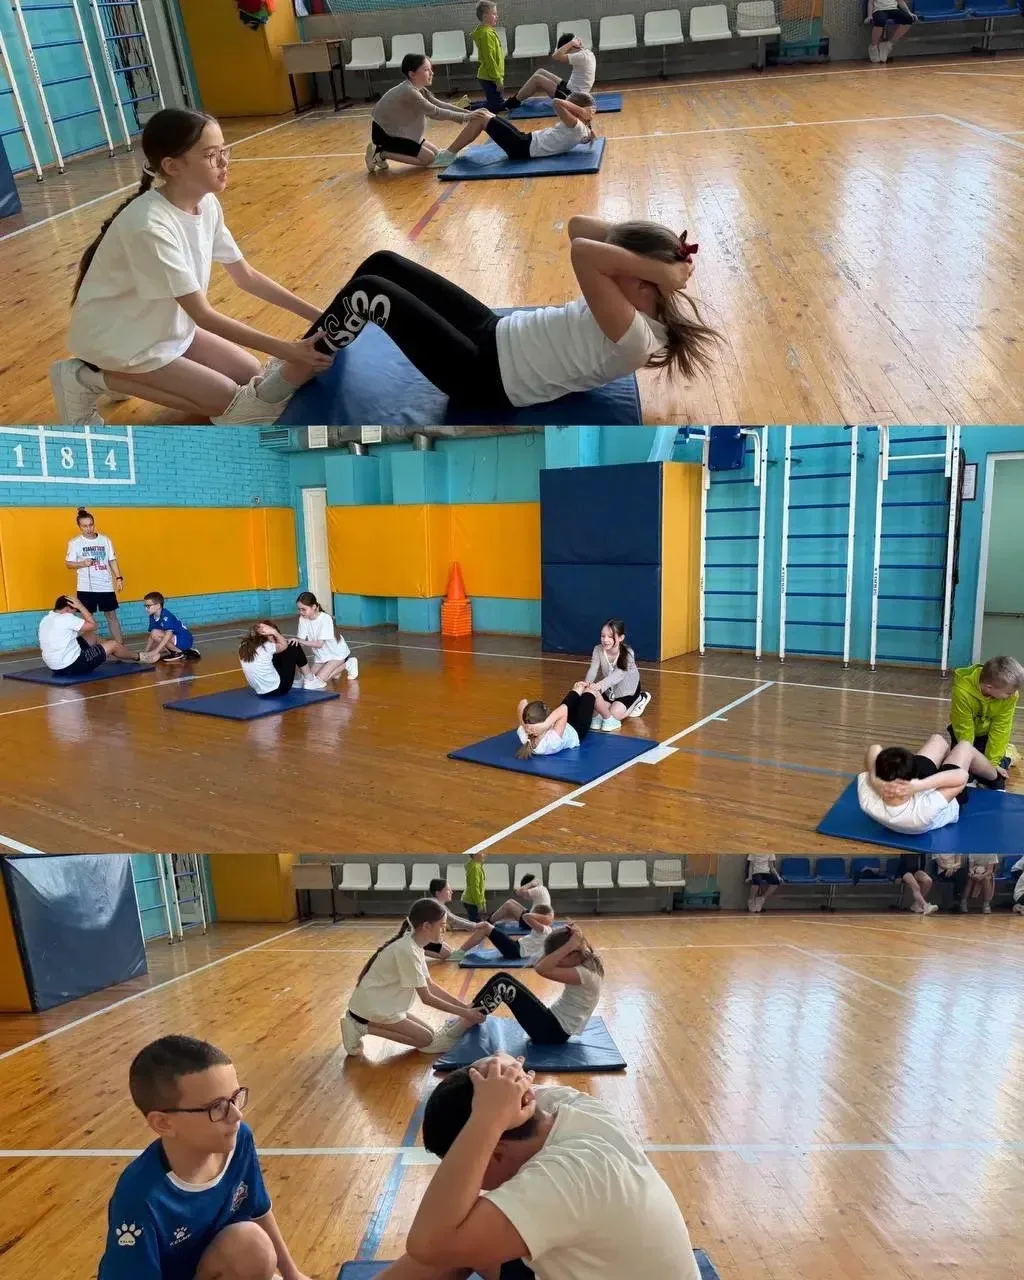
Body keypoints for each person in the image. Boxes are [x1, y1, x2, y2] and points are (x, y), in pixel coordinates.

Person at [55, 107, 333, 427]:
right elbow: (203, 315)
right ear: (172, 166)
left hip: (164, 328)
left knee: (250, 373)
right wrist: (288, 350)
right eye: (211, 155)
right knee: (229, 405)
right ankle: (86, 378)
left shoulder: (206, 203)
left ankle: (124, 378)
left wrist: (319, 316)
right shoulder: (150, 226)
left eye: (224, 151)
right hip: (123, 340)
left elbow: (246, 276)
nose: (224, 162)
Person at [306, 217, 717, 413]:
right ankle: (320, 339)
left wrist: (659, 270)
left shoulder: (634, 336)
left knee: (371, 292)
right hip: (497, 332)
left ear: (643, 281)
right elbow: (576, 227)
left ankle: (305, 361)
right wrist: (651, 264)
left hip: (485, 378)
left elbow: (582, 251)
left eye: (620, 266)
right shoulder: (635, 297)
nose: (610, 269)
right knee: (385, 262)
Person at [376, 1054, 702, 1279]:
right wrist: (496, 1083)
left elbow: (428, 1245)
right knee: (460, 1238)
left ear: (496, 1151)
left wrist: (485, 1122)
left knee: (451, 1240)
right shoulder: (564, 1105)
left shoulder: (567, 1176)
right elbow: (508, 1087)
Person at [97, 1035, 310, 1280]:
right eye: (216, 1107)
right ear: (163, 1123)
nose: (236, 1115)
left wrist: (292, 1274)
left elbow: (258, 1211)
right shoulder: (139, 1196)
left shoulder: (239, 1139)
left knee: (253, 1246)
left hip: (215, 1266)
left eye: (235, 1097)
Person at [340, 898, 487, 1056]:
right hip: (371, 1008)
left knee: (430, 1033)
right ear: (426, 926)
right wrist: (465, 1013)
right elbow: (427, 998)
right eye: (442, 926)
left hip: (384, 1005)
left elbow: (430, 985)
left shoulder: (415, 945)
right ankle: (360, 1026)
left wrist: (464, 1008)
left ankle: (360, 1023)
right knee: (425, 1039)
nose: (445, 930)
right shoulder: (407, 950)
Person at [468, 923, 604, 1045]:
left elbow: (540, 968)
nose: (558, 963)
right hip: (551, 1023)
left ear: (572, 953)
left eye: (560, 959)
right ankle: (471, 1009)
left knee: (504, 986)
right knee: (502, 977)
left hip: (552, 1033)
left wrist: (568, 945)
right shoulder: (585, 958)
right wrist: (569, 943)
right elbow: (540, 963)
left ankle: (470, 1017)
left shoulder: (585, 974)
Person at [367, 53, 491, 173]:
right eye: (426, 70)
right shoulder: (409, 91)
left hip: (398, 132)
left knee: (436, 153)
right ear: (412, 74)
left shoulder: (419, 89)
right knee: (428, 158)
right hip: (385, 135)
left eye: (430, 69)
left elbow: (440, 104)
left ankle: (383, 151)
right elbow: (435, 112)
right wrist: (466, 116)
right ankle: (380, 152)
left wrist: (470, 113)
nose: (432, 73)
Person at [856, 734, 991, 836]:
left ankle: (947, 761)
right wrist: (920, 785)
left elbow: (874, 748)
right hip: (948, 801)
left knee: (938, 739)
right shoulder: (923, 812)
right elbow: (962, 776)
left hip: (913, 791)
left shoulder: (868, 797)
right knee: (965, 747)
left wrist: (875, 781)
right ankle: (996, 779)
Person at [447, 94, 597, 167]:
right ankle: (450, 152)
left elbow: (556, 102)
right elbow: (583, 137)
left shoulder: (576, 125)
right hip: (524, 142)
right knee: (485, 112)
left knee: (480, 117)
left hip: (522, 147)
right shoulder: (583, 130)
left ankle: (448, 154)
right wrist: (588, 132)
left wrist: (581, 111)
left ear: (577, 111)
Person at [949, 656, 1023, 791]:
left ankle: (1006, 756)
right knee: (964, 775)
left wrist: (993, 763)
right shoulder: (962, 691)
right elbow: (964, 728)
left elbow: (1001, 728)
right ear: (989, 687)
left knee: (995, 779)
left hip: (987, 735)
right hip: (964, 735)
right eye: (1009, 692)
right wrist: (967, 759)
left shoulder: (1011, 696)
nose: (1013, 695)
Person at [39, 595, 150, 676]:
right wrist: (81, 606)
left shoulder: (46, 619)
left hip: (54, 667)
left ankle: (113, 653)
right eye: (74, 610)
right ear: (69, 608)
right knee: (113, 644)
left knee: (91, 636)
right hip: (72, 666)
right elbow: (94, 625)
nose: (75, 613)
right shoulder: (67, 617)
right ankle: (140, 657)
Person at [66, 506, 125, 643]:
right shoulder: (75, 543)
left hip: (105, 585)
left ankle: (120, 645)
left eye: (91, 525)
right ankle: (85, 648)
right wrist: (82, 563)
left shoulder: (105, 540)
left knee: (111, 615)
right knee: (87, 618)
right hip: (86, 586)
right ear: (79, 527)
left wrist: (118, 578)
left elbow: (112, 560)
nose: (89, 528)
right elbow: (68, 564)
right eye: (85, 526)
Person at [583, 617, 651, 731]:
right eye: (603, 636)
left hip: (628, 690)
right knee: (598, 714)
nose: (605, 640)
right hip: (610, 689)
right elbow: (593, 669)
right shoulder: (598, 649)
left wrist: (599, 685)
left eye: (610, 636)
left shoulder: (628, 653)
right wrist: (586, 685)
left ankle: (639, 698)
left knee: (614, 716)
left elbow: (619, 675)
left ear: (621, 638)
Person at [505, 32, 597, 110]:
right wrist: (572, 43)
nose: (566, 54)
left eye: (567, 51)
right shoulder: (586, 52)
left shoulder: (581, 57)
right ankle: (517, 97)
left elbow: (555, 56)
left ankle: (513, 102)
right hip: (570, 89)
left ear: (571, 46)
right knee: (540, 71)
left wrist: (571, 43)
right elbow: (559, 53)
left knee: (537, 78)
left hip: (572, 97)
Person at [293, 591, 359, 683]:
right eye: (299, 609)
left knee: (318, 681)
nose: (301, 612)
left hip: (337, 654)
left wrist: (300, 641)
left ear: (314, 607)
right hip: (321, 655)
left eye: (303, 609)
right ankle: (335, 672)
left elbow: (319, 644)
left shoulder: (325, 618)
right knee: (308, 679)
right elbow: (301, 640)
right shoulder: (303, 619)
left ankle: (348, 663)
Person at [238, 621, 318, 697]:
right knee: (294, 646)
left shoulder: (243, 646)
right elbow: (285, 645)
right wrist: (274, 632)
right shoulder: (268, 646)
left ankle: (297, 680)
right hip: (278, 689)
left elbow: (278, 646)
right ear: (268, 635)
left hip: (260, 691)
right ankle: (310, 680)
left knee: (278, 653)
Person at [516, 685, 597, 759]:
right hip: (576, 729)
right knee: (590, 691)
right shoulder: (551, 742)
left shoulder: (524, 735)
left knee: (579, 688)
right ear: (547, 719)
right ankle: (583, 690)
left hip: (561, 722)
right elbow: (564, 708)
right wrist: (545, 725)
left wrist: (525, 726)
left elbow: (523, 702)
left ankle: (578, 689)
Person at [424, 878, 495, 962]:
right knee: (447, 953)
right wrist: (475, 926)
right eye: (448, 890)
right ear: (438, 893)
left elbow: (454, 918)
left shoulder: (439, 904)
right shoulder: (436, 906)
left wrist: (474, 925)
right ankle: (419, 948)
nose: (451, 892)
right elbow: (454, 921)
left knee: (449, 951)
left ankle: (422, 947)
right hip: (423, 939)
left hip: (429, 938)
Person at [141, 591, 200, 663]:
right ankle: (187, 652)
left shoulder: (166, 616)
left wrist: (155, 651)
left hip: (183, 639)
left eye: (148, 606)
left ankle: (178, 652)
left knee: (155, 635)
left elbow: (167, 635)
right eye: (145, 606)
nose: (146, 609)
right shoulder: (152, 616)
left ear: (158, 606)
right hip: (175, 639)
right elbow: (151, 637)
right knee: (154, 645)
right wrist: (146, 652)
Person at [471, 1, 509, 115]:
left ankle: (467, 104)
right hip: (489, 77)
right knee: (496, 106)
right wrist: (497, 80)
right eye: (494, 13)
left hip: (491, 75)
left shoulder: (488, 31)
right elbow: (489, 60)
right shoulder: (486, 34)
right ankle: (467, 107)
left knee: (497, 103)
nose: (497, 16)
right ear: (485, 16)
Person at [463, 850, 487, 922]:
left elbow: (480, 887)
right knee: (475, 924)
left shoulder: (477, 866)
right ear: (474, 855)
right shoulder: (474, 868)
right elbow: (474, 888)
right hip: (472, 901)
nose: (485, 855)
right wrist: (479, 904)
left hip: (474, 900)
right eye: (482, 853)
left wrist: (483, 901)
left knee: (476, 923)